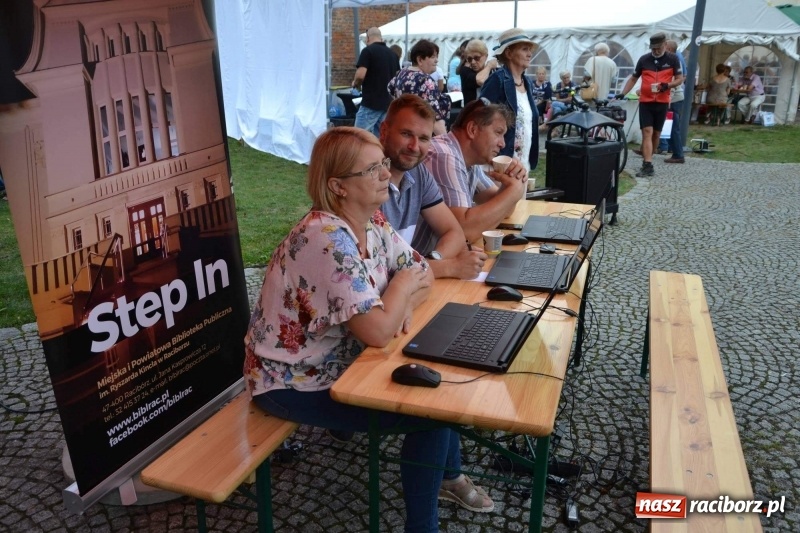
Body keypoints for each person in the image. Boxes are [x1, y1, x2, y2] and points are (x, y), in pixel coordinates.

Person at [244, 127, 494, 532]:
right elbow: (380, 328)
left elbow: (422, 271)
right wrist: (398, 291)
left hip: (341, 362)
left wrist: (397, 305)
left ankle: (447, 478)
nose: (386, 174)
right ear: (338, 186)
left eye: (383, 163)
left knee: (440, 387)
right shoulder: (325, 239)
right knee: (432, 414)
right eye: (372, 169)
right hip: (290, 382)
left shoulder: (370, 220)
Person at [379, 94, 488, 280]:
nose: (414, 146)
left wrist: (433, 261)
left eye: (423, 138)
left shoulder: (417, 172)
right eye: (406, 134)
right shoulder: (367, 178)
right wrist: (449, 267)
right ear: (384, 131)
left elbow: (454, 232)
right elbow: (377, 270)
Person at [416, 98, 528, 250]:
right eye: (498, 132)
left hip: (439, 259)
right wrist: (514, 191)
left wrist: (510, 183)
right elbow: (464, 232)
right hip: (421, 261)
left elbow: (504, 210)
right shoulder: (444, 155)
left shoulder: (469, 159)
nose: (502, 143)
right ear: (472, 130)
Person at [616, 32, 684, 177]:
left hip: (662, 101)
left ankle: (649, 158)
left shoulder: (673, 59)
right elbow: (633, 78)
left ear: (665, 45)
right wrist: (623, 93)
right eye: (653, 48)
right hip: (646, 101)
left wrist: (667, 85)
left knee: (656, 134)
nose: (656, 51)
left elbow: (680, 79)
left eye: (659, 48)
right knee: (647, 132)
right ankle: (647, 164)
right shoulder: (644, 59)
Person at [479, 28, 540, 173]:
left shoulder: (527, 83)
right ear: (509, 53)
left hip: (522, 165)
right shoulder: (497, 80)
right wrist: (494, 158)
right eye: (524, 49)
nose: (529, 54)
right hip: (500, 164)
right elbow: (481, 120)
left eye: (530, 50)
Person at [388, 39, 452, 136]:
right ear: (420, 60)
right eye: (432, 57)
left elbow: (390, 88)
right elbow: (435, 118)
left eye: (436, 56)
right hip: (422, 134)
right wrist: (446, 141)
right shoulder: (425, 81)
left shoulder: (402, 73)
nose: (436, 60)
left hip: (404, 129)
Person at [351, 27, 400, 137]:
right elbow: (397, 78)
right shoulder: (393, 55)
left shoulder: (367, 51)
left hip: (371, 103)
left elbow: (360, 75)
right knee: (381, 138)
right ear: (381, 38)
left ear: (368, 38)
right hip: (387, 104)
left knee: (358, 137)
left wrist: (356, 84)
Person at [657, 39, 687, 164]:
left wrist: (669, 98)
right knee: (670, 127)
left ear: (668, 49)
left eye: (663, 47)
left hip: (673, 99)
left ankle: (678, 154)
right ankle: (674, 151)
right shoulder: (672, 60)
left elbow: (674, 81)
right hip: (673, 98)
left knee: (673, 127)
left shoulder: (673, 61)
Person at [459, 39, 492, 105]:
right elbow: (480, 80)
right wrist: (489, 66)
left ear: (486, 56)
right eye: (469, 59)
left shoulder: (492, 72)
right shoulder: (465, 71)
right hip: (473, 110)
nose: (473, 62)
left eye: (477, 58)